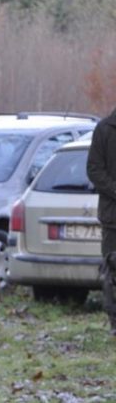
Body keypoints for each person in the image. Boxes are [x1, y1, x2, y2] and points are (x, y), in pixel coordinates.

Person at [85, 109, 116, 334]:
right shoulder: (104, 130)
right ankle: (114, 321)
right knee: (111, 272)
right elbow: (94, 169)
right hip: (112, 218)